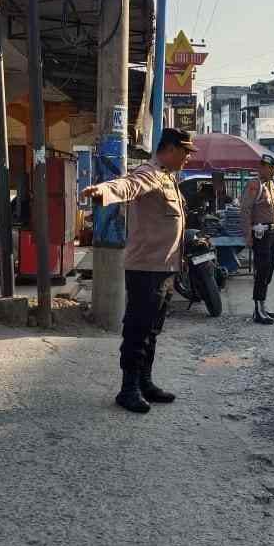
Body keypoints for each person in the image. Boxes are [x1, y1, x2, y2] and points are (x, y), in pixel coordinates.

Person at [80, 128, 195, 413]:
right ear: (170, 149)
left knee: (152, 330)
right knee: (138, 329)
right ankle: (128, 388)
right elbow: (128, 185)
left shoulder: (168, 177)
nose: (188, 159)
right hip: (146, 269)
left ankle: (145, 382)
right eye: (185, 153)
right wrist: (104, 191)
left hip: (164, 268)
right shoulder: (150, 172)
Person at [241, 154, 274, 325]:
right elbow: (245, 210)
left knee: (270, 268)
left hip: (272, 234)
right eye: (272, 168)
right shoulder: (254, 185)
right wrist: (248, 235)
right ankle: (258, 310)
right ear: (263, 167)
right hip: (261, 234)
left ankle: (262, 305)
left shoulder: (270, 185)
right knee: (262, 271)